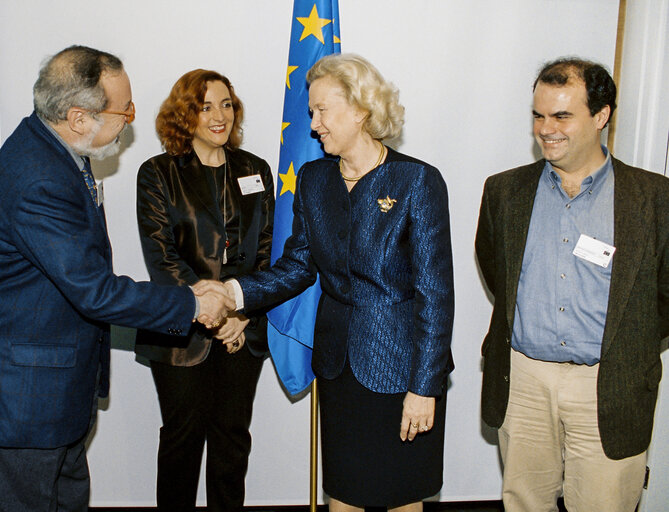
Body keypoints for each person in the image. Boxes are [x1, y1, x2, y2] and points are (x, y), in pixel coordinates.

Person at [0, 45, 233, 512]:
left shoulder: (57, 151)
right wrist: (192, 303)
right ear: (79, 117)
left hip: (51, 393)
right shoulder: (38, 177)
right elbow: (95, 290)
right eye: (125, 111)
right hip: (22, 401)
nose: (130, 121)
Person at [200, 53, 455, 511]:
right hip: (338, 369)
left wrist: (425, 387)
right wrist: (234, 293)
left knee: (401, 497)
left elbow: (436, 296)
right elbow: (297, 266)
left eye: (322, 110)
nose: (313, 124)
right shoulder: (314, 180)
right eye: (311, 112)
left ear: (360, 110)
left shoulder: (418, 181)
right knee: (343, 494)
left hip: (403, 371)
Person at [475, 57, 669, 511]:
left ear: (601, 116)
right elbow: (496, 269)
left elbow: (665, 295)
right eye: (539, 115)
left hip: (608, 384)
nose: (546, 129)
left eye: (562, 115)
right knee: (523, 501)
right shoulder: (504, 192)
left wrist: (627, 345)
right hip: (523, 380)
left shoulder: (654, 200)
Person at [134, 69, 274, 511]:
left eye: (227, 105)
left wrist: (240, 314)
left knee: (233, 441)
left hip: (242, 331)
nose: (220, 116)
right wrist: (212, 312)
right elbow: (161, 259)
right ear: (185, 114)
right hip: (181, 332)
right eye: (205, 106)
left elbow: (267, 253)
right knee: (182, 441)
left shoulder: (256, 169)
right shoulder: (157, 173)